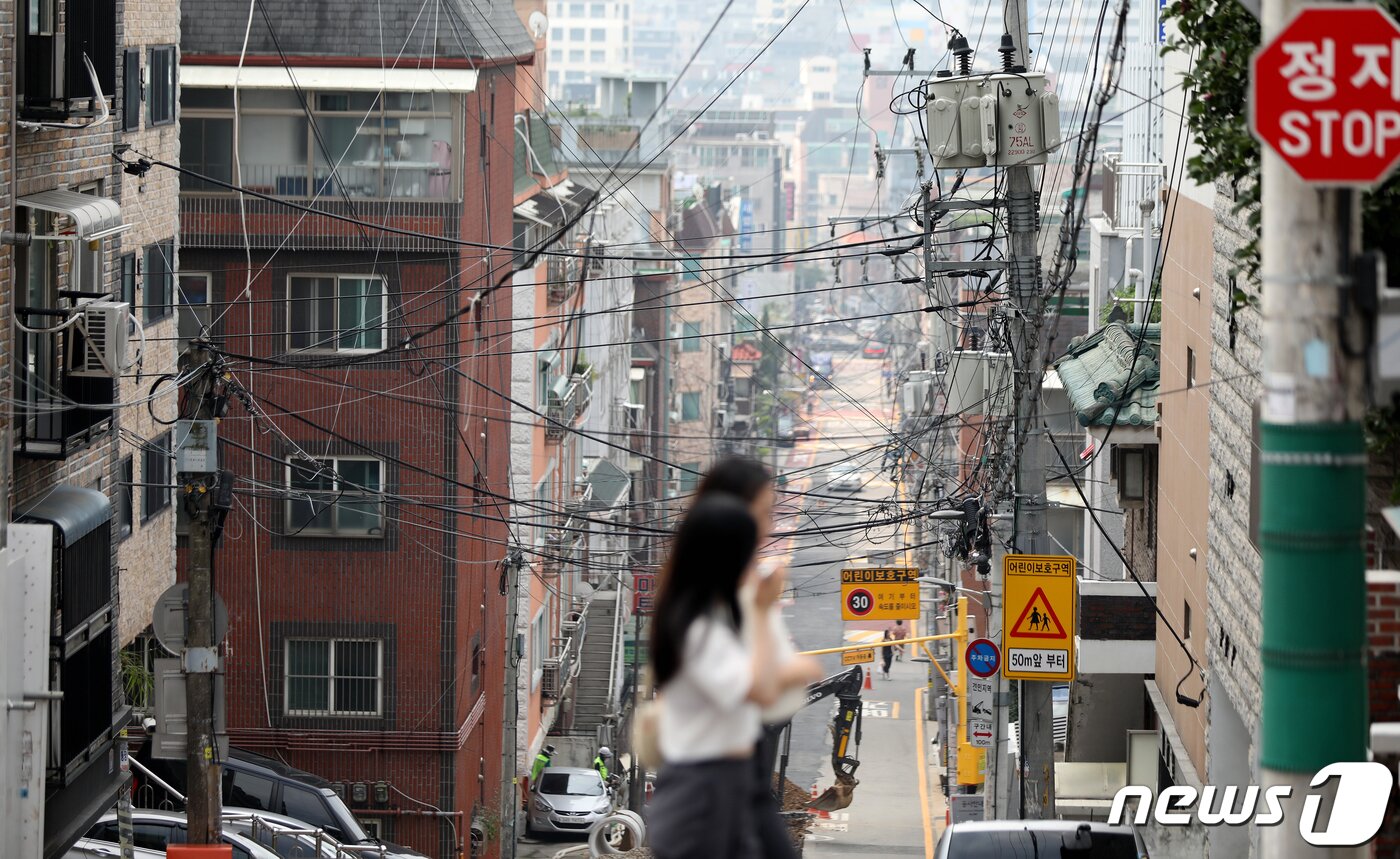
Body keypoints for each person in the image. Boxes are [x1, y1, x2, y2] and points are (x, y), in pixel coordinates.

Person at [645, 495, 813, 859]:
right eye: (750, 552)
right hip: (705, 797)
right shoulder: (699, 623)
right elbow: (761, 689)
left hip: (731, 786)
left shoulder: (720, 615)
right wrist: (764, 612)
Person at [695, 457, 822, 859]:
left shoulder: (719, 586)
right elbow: (756, 687)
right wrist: (796, 669)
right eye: (763, 512)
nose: (768, 526)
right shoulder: (718, 595)